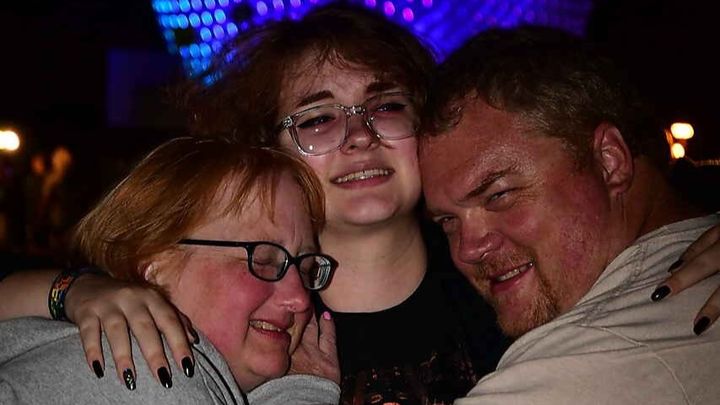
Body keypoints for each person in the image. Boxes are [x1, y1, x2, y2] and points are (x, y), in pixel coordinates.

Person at [1, 3, 720, 403]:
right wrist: (73, 290)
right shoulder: (233, 311)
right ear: (268, 150)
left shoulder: (518, 270)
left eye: (387, 106)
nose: (358, 135)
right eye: (317, 118)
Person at [419, 26, 720, 403]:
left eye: (499, 195)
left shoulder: (591, 362)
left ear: (609, 161)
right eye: (447, 221)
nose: (468, 250)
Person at [0, 137, 340, 404]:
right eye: (263, 260)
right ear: (154, 264)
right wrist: (303, 393)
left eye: (306, 267)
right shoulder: (148, 370)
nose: (300, 299)